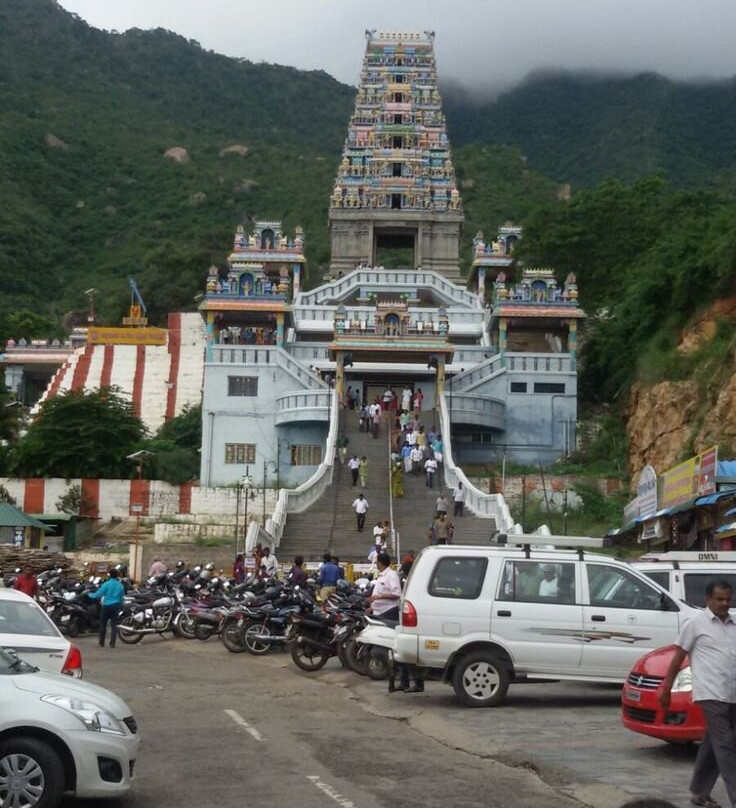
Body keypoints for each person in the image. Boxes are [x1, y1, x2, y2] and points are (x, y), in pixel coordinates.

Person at [659, 580, 736, 808]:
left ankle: (700, 792)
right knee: (726, 745)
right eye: (719, 599)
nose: (724, 603)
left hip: (732, 692)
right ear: (708, 599)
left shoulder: (734, 624)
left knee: (713, 743)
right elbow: (676, 659)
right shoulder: (695, 624)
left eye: (727, 599)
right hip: (710, 692)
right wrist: (666, 689)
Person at [89, 568, 125, 648]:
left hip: (106, 606)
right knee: (114, 625)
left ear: (110, 575)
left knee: (103, 624)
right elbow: (122, 597)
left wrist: (89, 594)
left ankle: (101, 642)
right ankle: (112, 643)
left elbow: (98, 594)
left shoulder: (106, 584)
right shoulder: (120, 585)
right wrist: (120, 605)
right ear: (117, 575)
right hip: (116, 605)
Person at [367, 552, 402, 621]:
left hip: (388, 612)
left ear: (380, 563)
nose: (376, 564)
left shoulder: (391, 575)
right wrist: (372, 608)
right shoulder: (381, 575)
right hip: (378, 612)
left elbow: (397, 594)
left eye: (376, 562)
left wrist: (379, 596)